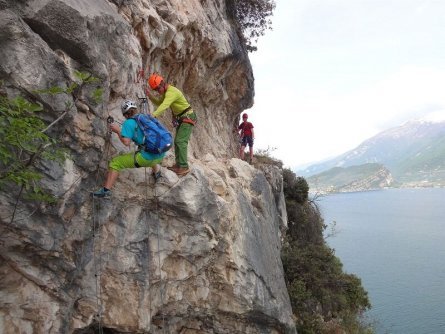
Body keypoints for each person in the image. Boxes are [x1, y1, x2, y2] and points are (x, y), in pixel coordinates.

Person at [92, 100, 165, 198]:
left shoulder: (128, 123)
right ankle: (157, 173)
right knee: (148, 147)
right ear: (135, 110)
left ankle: (105, 191)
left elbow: (126, 142)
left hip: (147, 158)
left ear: (125, 114)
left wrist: (118, 131)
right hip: (160, 155)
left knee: (115, 163)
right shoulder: (144, 117)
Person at [145, 73, 197, 176]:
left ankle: (183, 166)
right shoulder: (165, 93)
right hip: (183, 118)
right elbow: (159, 102)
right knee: (177, 141)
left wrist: (153, 115)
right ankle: (179, 165)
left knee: (180, 141)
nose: (157, 91)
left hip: (188, 117)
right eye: (155, 90)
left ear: (162, 84)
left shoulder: (171, 92)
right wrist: (149, 95)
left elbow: (164, 105)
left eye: (157, 89)